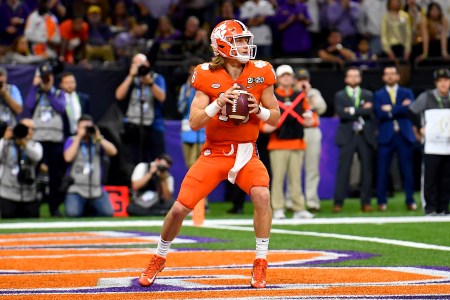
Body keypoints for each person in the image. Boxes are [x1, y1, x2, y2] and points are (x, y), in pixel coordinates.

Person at [137, 19, 280, 289]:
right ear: (222, 45)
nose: (245, 46)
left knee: (262, 194)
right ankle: (159, 256)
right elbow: (194, 121)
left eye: (245, 40)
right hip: (215, 153)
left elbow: (274, 116)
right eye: (239, 41)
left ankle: (260, 262)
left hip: (247, 152)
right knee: (179, 208)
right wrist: (218, 103)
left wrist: (257, 110)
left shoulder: (262, 71)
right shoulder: (206, 73)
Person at [262, 64, 316, 219]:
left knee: (296, 178)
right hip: (277, 143)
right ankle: (278, 208)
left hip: (297, 142)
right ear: (277, 79)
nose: (286, 78)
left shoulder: (300, 95)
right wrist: (270, 126)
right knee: (278, 178)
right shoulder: (270, 96)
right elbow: (263, 124)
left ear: (293, 79)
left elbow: (309, 115)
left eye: (288, 75)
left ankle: (299, 208)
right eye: (283, 76)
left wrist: (309, 119)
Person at [24, 62, 66, 217]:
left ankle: (53, 207)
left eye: (48, 76)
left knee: (55, 176)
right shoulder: (36, 93)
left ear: (53, 77)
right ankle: (32, 206)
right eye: (44, 76)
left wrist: (48, 92)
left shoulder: (58, 93)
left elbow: (61, 108)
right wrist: (35, 87)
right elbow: (27, 106)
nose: (46, 79)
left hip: (55, 140)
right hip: (38, 139)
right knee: (34, 173)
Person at [374, 65, 417, 211]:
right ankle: (381, 201)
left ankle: (410, 200)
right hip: (386, 136)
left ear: (398, 76)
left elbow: (410, 109)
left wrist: (391, 109)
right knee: (382, 170)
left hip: (404, 135)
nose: (390, 76)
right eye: (387, 74)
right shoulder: (378, 94)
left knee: (407, 170)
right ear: (383, 77)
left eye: (393, 73)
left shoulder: (407, 92)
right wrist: (400, 107)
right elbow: (379, 113)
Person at [333, 67, 376, 213]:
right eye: (350, 76)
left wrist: (350, 110)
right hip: (347, 136)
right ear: (346, 78)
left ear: (360, 78)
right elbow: (341, 113)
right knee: (343, 170)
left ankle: (366, 202)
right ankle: (338, 202)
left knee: (367, 170)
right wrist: (359, 111)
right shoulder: (339, 95)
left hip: (364, 135)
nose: (353, 78)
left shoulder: (368, 94)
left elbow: (370, 111)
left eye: (356, 76)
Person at [409, 68, 450, 215]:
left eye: (446, 80)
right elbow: (412, 111)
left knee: (446, 178)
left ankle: (444, 207)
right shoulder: (427, 96)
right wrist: (420, 127)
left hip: (448, 145)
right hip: (432, 145)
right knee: (431, 177)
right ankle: (430, 207)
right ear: (436, 83)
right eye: (440, 81)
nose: (443, 84)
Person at [115, 53, 166, 168]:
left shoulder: (157, 78)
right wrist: (130, 76)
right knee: (132, 159)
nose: (138, 67)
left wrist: (150, 83)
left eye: (140, 64)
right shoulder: (131, 79)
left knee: (154, 159)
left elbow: (162, 97)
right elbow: (119, 95)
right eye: (134, 63)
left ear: (147, 64)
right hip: (133, 124)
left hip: (152, 125)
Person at [63, 114, 117, 217]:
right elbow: (68, 158)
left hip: (96, 188)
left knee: (107, 213)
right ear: (77, 128)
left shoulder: (97, 141)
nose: (87, 130)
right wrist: (79, 137)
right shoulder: (72, 140)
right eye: (84, 127)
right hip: (76, 188)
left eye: (89, 127)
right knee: (73, 213)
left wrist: (99, 137)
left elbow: (113, 152)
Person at [295, 68, 327, 212]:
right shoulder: (291, 93)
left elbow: (322, 108)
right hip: (296, 132)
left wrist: (308, 94)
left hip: (312, 131)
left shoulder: (314, 93)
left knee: (312, 168)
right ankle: (292, 200)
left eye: (305, 79)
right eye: (300, 79)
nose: (302, 82)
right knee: (293, 169)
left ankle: (312, 201)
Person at [0, 119, 43, 218]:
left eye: (32, 129)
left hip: (29, 195)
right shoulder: (6, 144)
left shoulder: (35, 145)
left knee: (32, 220)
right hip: (8, 194)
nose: (29, 131)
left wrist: (24, 143)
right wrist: (4, 139)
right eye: (26, 128)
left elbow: (37, 156)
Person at [59, 72, 90, 136]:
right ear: (61, 84)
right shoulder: (58, 98)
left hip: (80, 133)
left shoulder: (84, 98)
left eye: (72, 82)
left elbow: (87, 116)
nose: (70, 85)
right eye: (67, 83)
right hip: (64, 134)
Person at [0, 67, 23, 138]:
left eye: (1, 75)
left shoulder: (13, 89)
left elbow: (19, 110)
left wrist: (5, 94)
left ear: (5, 77)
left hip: (10, 131)